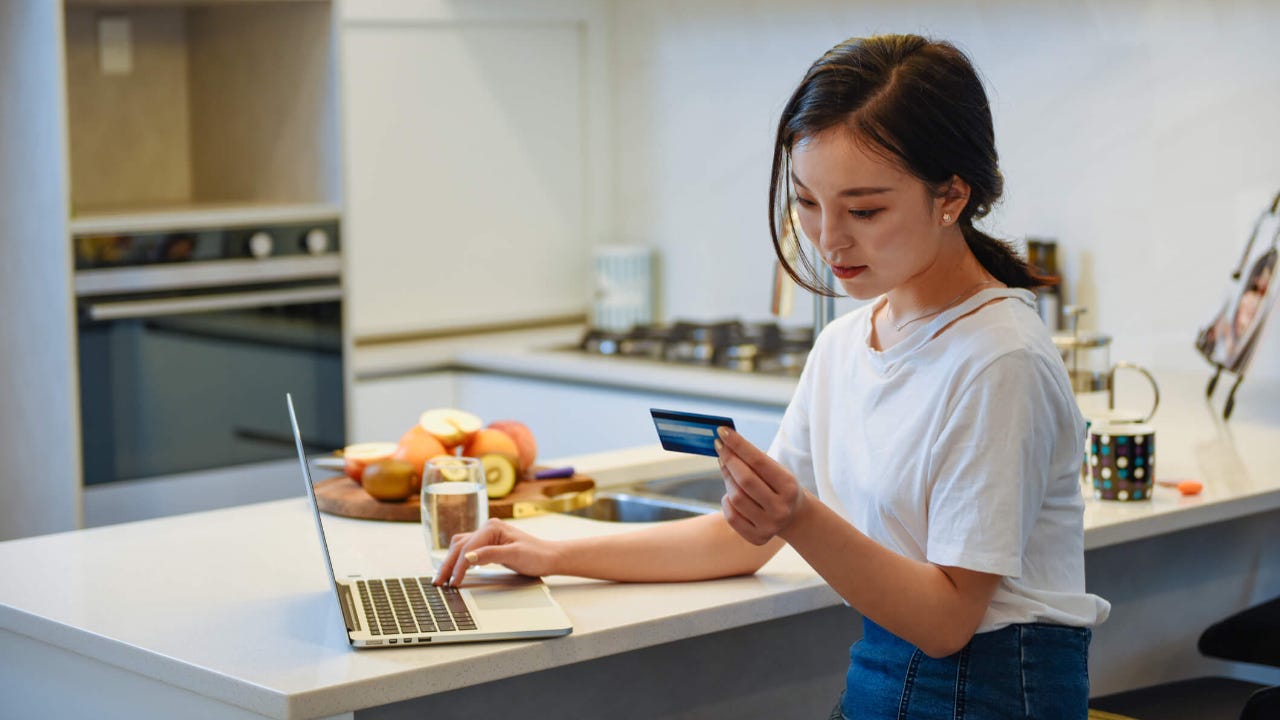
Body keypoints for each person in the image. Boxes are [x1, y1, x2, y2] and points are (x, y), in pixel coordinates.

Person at [435, 34, 1110, 718]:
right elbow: (744, 537)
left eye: (865, 210)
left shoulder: (1000, 358)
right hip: (883, 682)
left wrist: (798, 514)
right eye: (808, 203)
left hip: (992, 694)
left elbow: (946, 621)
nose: (828, 239)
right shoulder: (849, 342)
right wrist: (555, 553)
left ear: (952, 195)